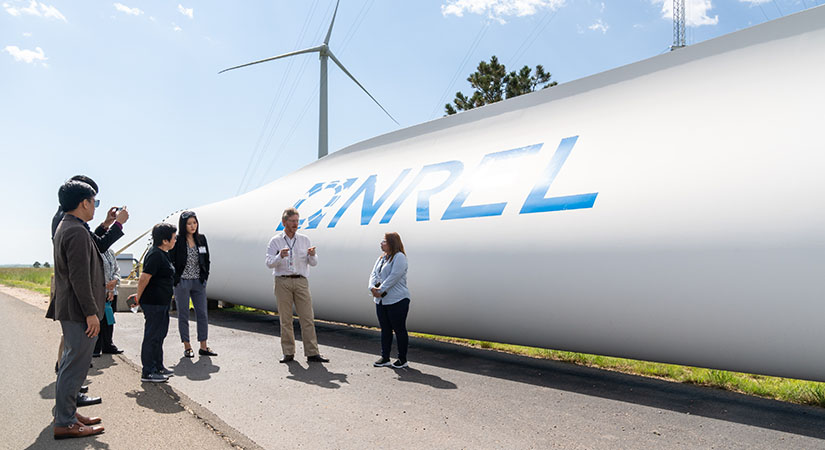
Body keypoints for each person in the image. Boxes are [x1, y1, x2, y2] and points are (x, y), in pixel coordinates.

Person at [46, 180, 106, 439]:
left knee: (73, 363)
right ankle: (66, 421)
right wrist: (91, 312)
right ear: (84, 202)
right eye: (94, 202)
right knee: (74, 366)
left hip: (72, 308)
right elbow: (79, 277)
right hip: (78, 310)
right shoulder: (76, 231)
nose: (95, 207)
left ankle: (67, 413)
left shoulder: (68, 226)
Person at [265, 208, 328, 363]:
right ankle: (288, 352)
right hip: (283, 281)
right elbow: (268, 263)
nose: (295, 224)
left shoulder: (304, 240)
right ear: (284, 222)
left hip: (301, 281)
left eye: (297, 221)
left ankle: (312, 353)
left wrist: (313, 255)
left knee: (307, 317)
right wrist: (279, 256)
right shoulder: (275, 241)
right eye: (292, 221)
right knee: (285, 319)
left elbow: (313, 263)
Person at [131, 223, 177, 383]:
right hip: (154, 303)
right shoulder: (155, 255)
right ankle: (148, 371)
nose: (175, 240)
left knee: (160, 335)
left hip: (162, 303)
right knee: (152, 336)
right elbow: (144, 278)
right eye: (173, 237)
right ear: (165, 240)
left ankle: (158, 366)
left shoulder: (163, 253)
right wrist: (138, 297)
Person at [169, 211, 215, 358]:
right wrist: (175, 279)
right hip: (182, 281)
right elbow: (171, 259)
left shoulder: (201, 239)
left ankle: (203, 345)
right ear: (183, 225)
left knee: (202, 313)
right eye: (189, 223)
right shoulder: (178, 240)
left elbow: (206, 258)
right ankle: (187, 346)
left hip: (198, 281)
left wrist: (205, 276)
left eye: (194, 223)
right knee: (184, 314)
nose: (192, 226)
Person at [369, 232, 411, 369]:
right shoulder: (381, 258)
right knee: (385, 329)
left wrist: (380, 290)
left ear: (392, 243)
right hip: (381, 301)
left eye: (384, 241)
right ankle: (385, 357)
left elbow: (394, 276)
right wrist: (372, 287)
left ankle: (402, 359)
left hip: (397, 300)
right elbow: (374, 274)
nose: (381, 243)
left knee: (399, 329)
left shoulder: (399, 257)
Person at [93, 248, 123, 357]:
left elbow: (116, 268)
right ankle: (96, 347)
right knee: (99, 319)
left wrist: (115, 281)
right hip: (100, 292)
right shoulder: (94, 251)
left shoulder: (110, 252)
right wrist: (107, 288)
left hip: (112, 291)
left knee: (109, 319)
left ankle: (108, 345)